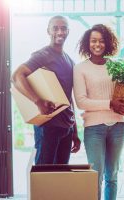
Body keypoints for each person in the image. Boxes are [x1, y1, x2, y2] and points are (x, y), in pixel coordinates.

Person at [11, 15, 80, 165]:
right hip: (48, 125)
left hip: (66, 128)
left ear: (68, 31)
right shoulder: (43, 55)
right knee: (44, 175)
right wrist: (38, 101)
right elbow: (17, 76)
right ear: (48, 31)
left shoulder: (69, 60)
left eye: (63, 28)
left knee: (60, 176)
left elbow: (69, 98)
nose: (60, 32)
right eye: (55, 28)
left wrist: (75, 130)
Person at [73, 24, 124, 200]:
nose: (98, 44)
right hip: (94, 128)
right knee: (95, 175)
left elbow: (123, 94)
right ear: (87, 43)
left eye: (102, 41)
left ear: (108, 43)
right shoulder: (80, 68)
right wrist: (110, 104)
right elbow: (81, 102)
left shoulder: (116, 66)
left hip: (119, 126)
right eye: (94, 41)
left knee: (112, 175)